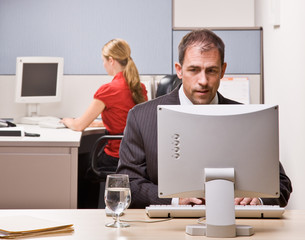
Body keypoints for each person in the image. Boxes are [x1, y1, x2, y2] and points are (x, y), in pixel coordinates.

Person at [116, 29, 292, 208]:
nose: (203, 81)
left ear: (223, 71)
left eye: (211, 71)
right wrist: (175, 200)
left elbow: (281, 184)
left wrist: (258, 199)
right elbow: (128, 183)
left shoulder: (248, 118)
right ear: (179, 70)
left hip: (235, 223)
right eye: (194, 70)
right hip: (168, 225)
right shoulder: (142, 117)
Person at [61, 38, 148, 207]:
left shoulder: (108, 90)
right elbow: (127, 120)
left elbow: (79, 125)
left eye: (103, 61)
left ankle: (86, 213)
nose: (103, 65)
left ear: (111, 60)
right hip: (137, 156)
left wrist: (67, 121)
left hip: (115, 157)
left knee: (79, 164)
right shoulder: (139, 87)